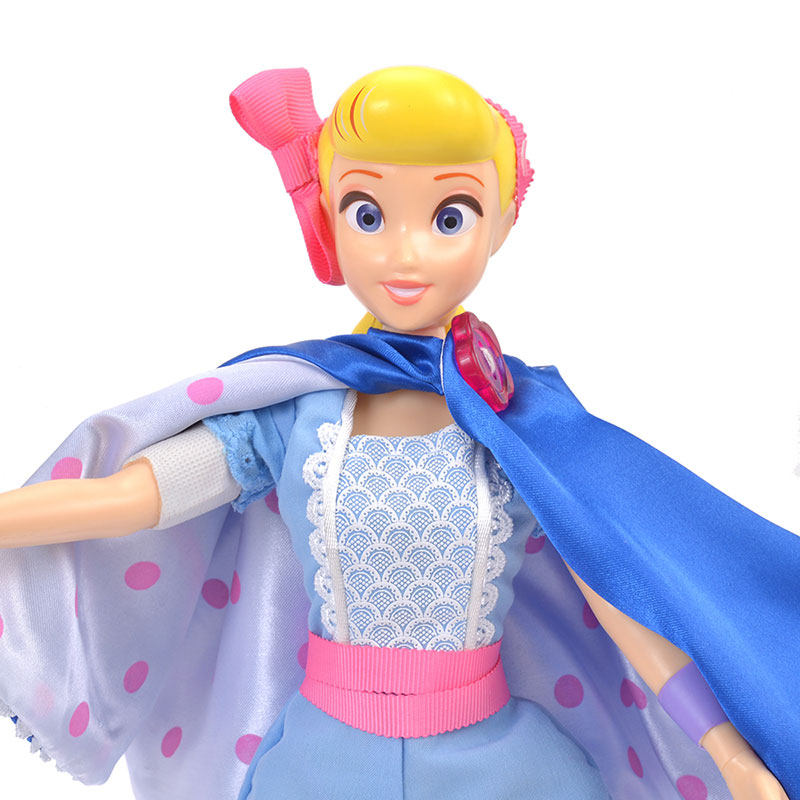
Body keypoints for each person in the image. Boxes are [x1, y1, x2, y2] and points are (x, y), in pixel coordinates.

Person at [0, 66, 795, 800]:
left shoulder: (517, 426)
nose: (406, 252)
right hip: (323, 764)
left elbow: (619, 590)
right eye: (369, 214)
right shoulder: (294, 413)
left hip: (498, 768)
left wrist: (725, 749)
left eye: (449, 216)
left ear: (502, 223)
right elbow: (138, 497)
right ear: (326, 221)